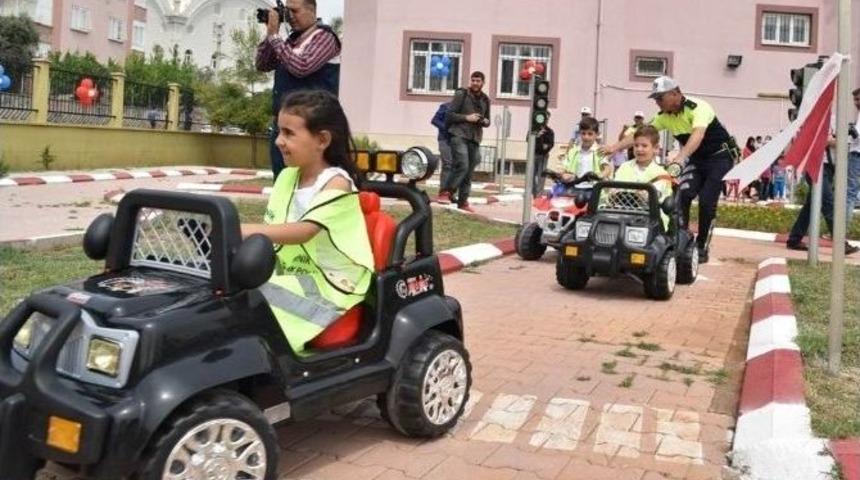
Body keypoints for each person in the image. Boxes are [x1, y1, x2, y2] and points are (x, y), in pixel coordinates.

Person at [240, 90, 374, 354]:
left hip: (330, 283)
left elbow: (304, 232)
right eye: (278, 131)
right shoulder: (287, 178)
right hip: (289, 271)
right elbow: (275, 226)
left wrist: (237, 229)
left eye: (289, 133)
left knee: (254, 309)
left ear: (322, 139)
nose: (279, 141)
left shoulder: (337, 182)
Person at [600, 76, 738, 263]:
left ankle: (702, 245)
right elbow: (641, 135)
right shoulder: (663, 117)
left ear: (675, 94)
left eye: (660, 98)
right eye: (655, 99)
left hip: (719, 157)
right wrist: (614, 147)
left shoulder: (698, 107)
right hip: (697, 159)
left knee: (706, 201)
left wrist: (680, 159)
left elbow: (698, 135)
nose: (657, 102)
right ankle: (682, 239)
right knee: (683, 195)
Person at [256, 0, 342, 180]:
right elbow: (262, 64)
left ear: (312, 10)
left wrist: (275, 38)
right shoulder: (290, 41)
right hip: (285, 125)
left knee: (309, 182)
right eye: (287, 12)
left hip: (312, 126)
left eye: (295, 11)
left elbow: (301, 66)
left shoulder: (325, 37)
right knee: (283, 181)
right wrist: (271, 33)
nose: (290, 17)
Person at [434, 71, 491, 212]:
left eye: (478, 81)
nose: (475, 83)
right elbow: (449, 116)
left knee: (470, 170)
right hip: (459, 135)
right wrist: (467, 118)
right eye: (473, 80)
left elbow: (487, 120)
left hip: (475, 137)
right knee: (462, 164)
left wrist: (484, 121)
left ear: (483, 83)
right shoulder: (462, 94)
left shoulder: (485, 99)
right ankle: (446, 192)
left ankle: (463, 201)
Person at [613, 125, 673, 228]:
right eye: (636, 145)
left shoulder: (661, 174)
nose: (639, 149)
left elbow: (655, 197)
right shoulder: (624, 167)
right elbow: (613, 190)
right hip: (621, 215)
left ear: (656, 148)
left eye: (644, 146)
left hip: (651, 219)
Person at [561, 117, 612, 193]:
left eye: (590, 134)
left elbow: (607, 168)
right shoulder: (573, 151)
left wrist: (600, 176)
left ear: (596, 135)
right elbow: (564, 166)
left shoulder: (599, 151)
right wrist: (563, 174)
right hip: (575, 187)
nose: (586, 137)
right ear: (579, 133)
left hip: (593, 188)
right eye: (583, 133)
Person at [846, 87, 860, 223]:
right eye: (855, 100)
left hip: (857, 155)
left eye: (858, 99)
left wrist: (851, 130)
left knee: (849, 193)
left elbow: (857, 136)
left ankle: (841, 230)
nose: (856, 102)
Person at [431, 102, 453, 188]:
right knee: (448, 165)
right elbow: (434, 120)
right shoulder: (446, 106)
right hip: (445, 139)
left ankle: (451, 192)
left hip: (459, 141)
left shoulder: (465, 107)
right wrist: (447, 129)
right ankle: (443, 191)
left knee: (458, 166)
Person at [532, 115, 556, 197]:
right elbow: (528, 139)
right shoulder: (534, 129)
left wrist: (547, 147)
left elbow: (551, 143)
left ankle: (538, 194)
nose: (546, 120)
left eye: (547, 119)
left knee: (541, 176)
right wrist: (537, 135)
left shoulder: (549, 131)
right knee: (531, 175)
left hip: (543, 155)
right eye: (544, 118)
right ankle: (533, 192)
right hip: (534, 155)